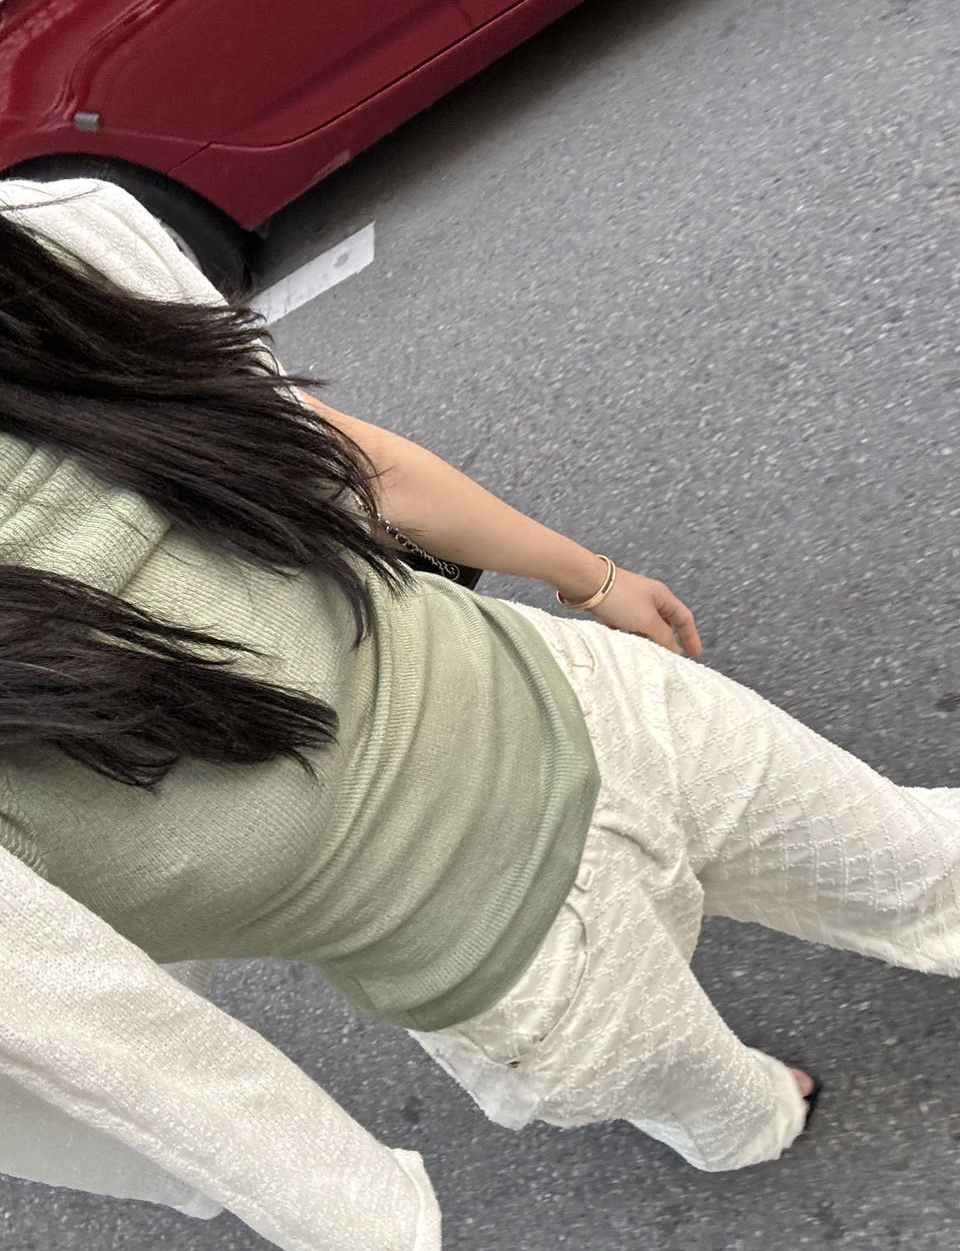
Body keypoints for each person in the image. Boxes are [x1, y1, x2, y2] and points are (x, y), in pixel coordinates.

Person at [0, 178, 956, 1251]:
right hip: (499, 969)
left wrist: (591, 576)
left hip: (597, 700)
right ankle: (756, 1120)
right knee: (716, 1099)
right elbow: (75, 1022)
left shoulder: (51, 251)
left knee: (923, 862)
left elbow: (346, 464)